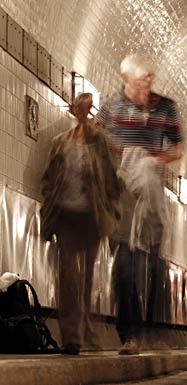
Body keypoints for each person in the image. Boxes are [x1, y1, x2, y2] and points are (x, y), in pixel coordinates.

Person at [95, 54, 184, 355]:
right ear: (126, 80)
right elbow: (97, 141)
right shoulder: (111, 106)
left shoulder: (165, 107)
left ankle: (154, 330)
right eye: (141, 80)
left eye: (150, 77)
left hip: (152, 194)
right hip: (122, 193)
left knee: (156, 262)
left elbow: (178, 148)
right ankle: (130, 334)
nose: (148, 84)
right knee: (124, 260)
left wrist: (154, 160)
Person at [41, 93, 123, 355]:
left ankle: (85, 327)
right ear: (74, 109)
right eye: (79, 106)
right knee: (68, 275)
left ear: (90, 110)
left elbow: (112, 179)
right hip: (66, 215)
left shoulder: (101, 143)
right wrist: (48, 203)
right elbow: (49, 177)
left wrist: (112, 208)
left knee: (86, 277)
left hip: (91, 217)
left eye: (86, 106)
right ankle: (71, 337)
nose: (82, 110)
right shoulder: (60, 142)